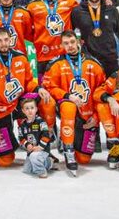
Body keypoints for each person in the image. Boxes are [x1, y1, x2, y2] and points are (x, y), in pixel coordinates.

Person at [40, 30, 107, 173]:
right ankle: (68, 150)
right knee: (68, 106)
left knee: (84, 159)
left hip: (86, 114)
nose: (70, 46)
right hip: (65, 108)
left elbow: (101, 93)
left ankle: (68, 139)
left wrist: (96, 117)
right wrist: (67, 95)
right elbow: (49, 87)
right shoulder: (56, 64)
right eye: (66, 43)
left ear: (78, 42)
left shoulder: (94, 64)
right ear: (61, 45)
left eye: (72, 42)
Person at [0, 26, 36, 167]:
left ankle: (39, 144)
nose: (4, 43)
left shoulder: (20, 57)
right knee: (6, 160)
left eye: (6, 39)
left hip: (17, 105)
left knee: (45, 103)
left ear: (11, 40)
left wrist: (40, 89)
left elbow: (29, 82)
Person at [27, 0, 77, 72]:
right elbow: (26, 28)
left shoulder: (70, 2)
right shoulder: (32, 6)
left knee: (65, 83)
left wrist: (103, 0)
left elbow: (85, 11)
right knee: (44, 85)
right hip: (44, 53)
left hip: (65, 51)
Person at [17, 96, 53, 177]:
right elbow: (21, 138)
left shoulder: (41, 122)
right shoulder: (22, 125)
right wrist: (27, 145)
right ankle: (42, 162)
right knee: (27, 170)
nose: (30, 110)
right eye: (27, 108)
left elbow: (46, 135)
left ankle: (44, 167)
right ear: (23, 111)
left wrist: (40, 147)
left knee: (34, 157)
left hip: (42, 150)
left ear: (36, 109)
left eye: (32, 108)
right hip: (32, 151)